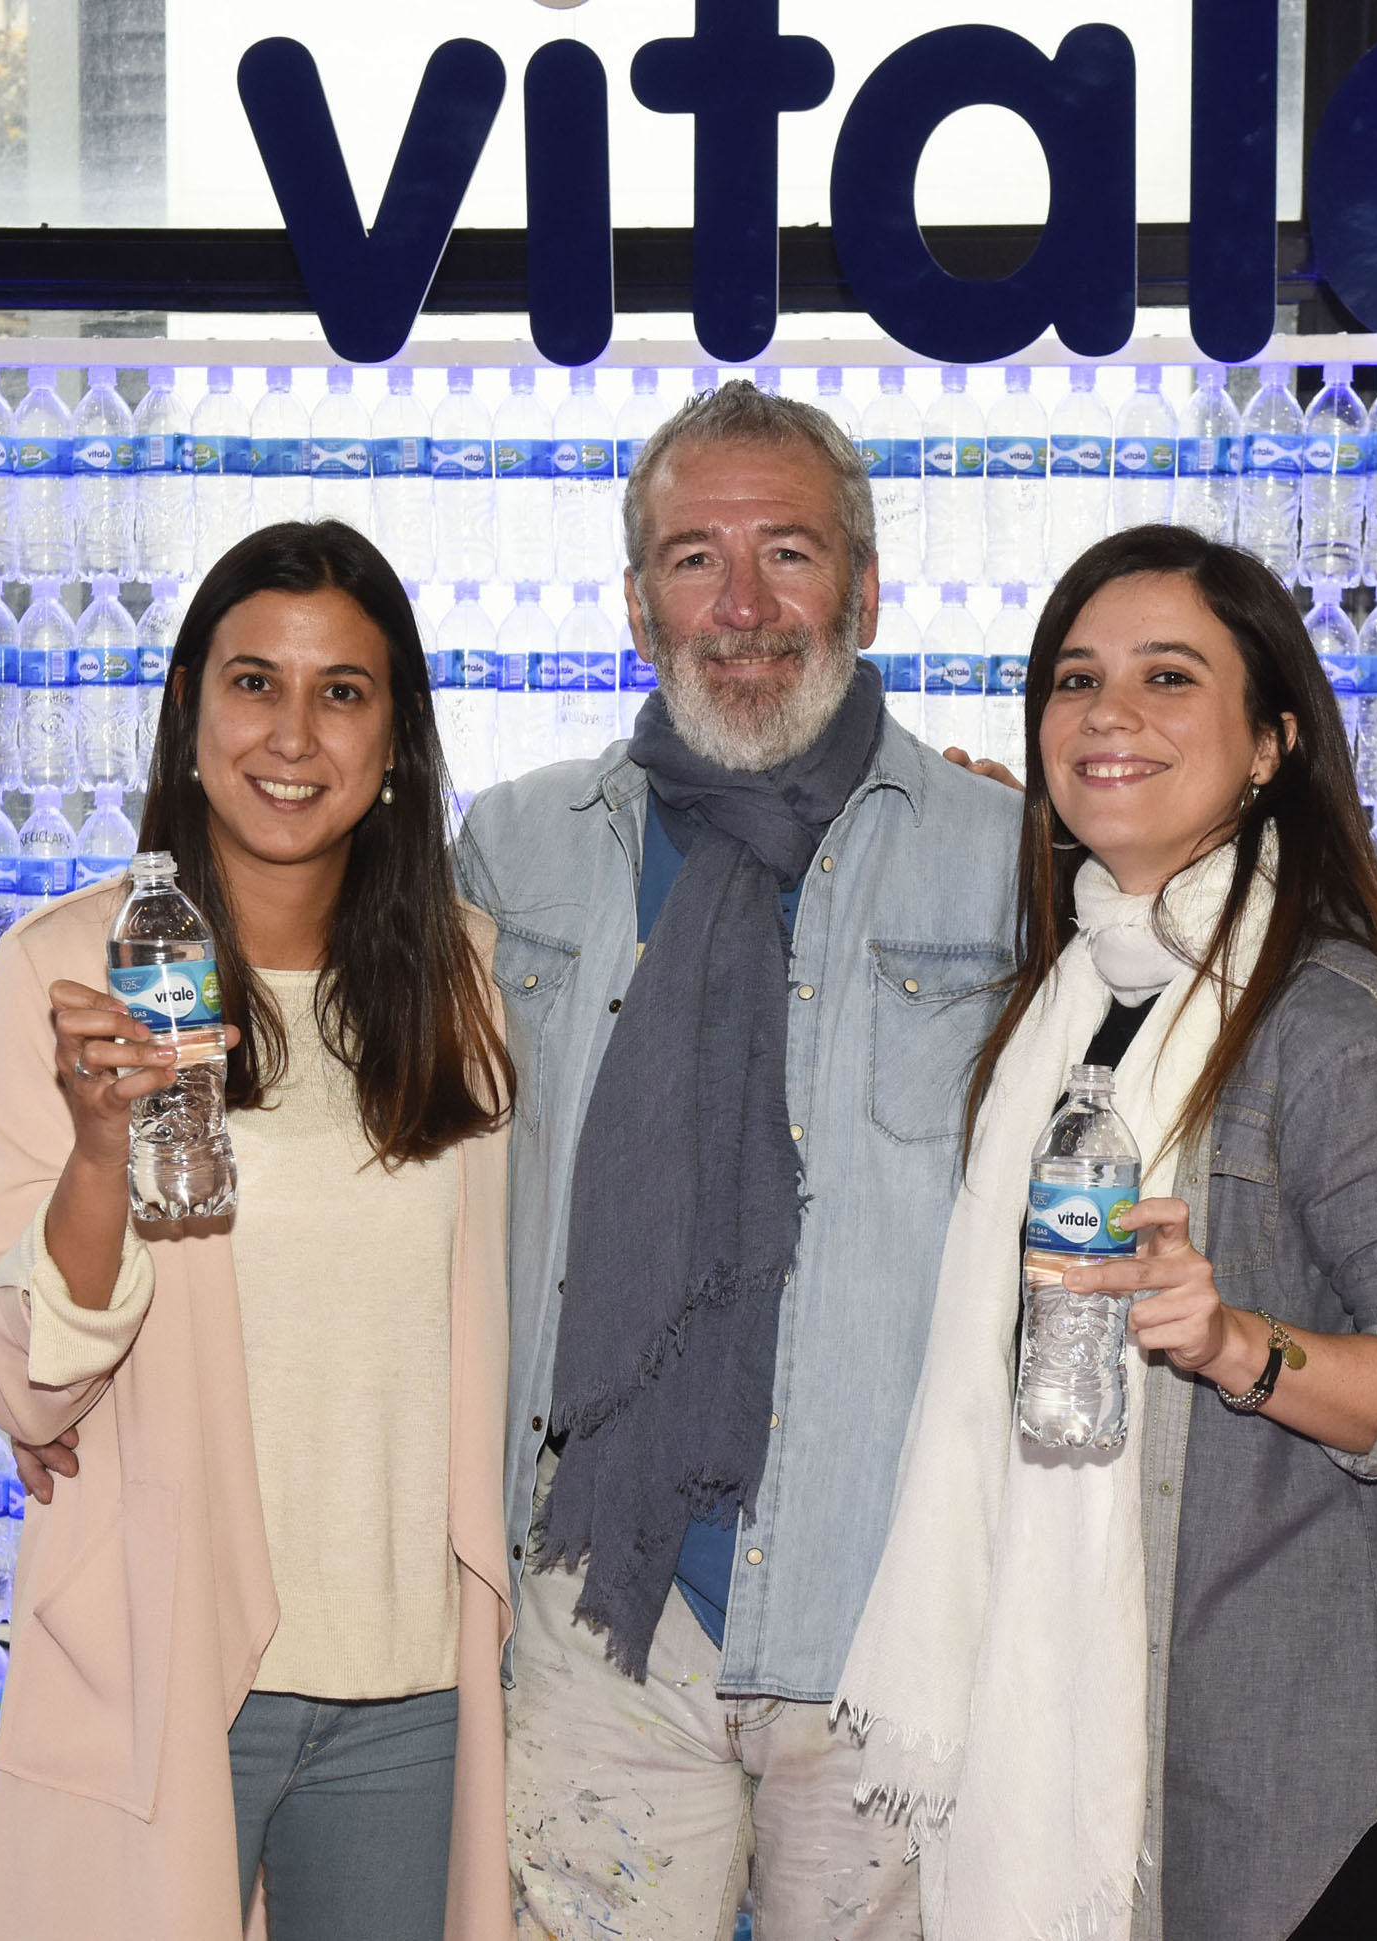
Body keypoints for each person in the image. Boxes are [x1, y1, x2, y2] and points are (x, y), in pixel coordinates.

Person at [840, 524, 1377, 1941]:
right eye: (1075, 679)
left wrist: (1233, 1343)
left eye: (1168, 677)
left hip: (1307, 1795)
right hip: (1122, 1747)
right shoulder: (1075, 996)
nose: (1108, 714)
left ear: (1271, 739)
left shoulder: (1332, 1029)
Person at [453, 380, 1020, 1941]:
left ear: (866, 584)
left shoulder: (1010, 859)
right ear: (636, 603)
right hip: (597, 1601)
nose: (746, 605)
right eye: (694, 559)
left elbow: (1162, 1137)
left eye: (788, 550)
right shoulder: (516, 851)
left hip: (891, 1609)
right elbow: (377, 1151)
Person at [0, 521, 516, 1941]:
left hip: (409, 1686)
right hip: (165, 1658)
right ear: (190, 707)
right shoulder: (66, 971)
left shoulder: (472, 986)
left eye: (342, 691)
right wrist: (96, 1145)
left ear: (395, 740)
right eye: (255, 682)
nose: (293, 733)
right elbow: (26, 1373)